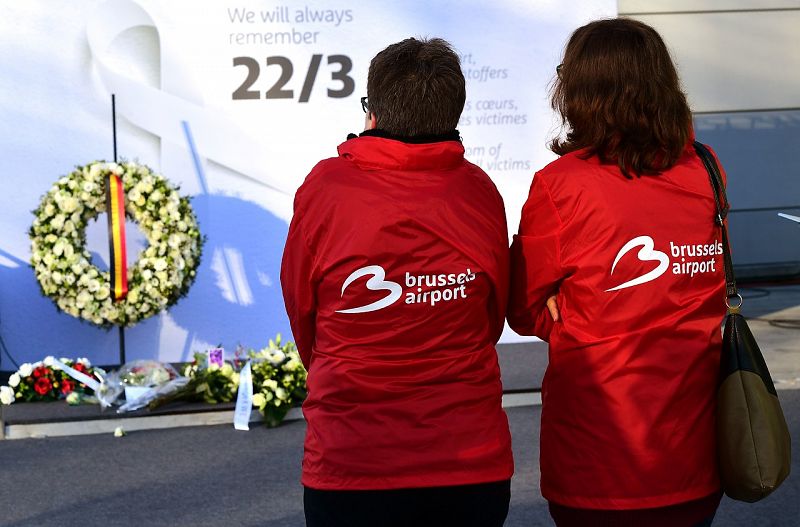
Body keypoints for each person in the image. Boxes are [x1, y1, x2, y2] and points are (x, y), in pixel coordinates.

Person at [281, 37, 513, 527]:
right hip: (468, 457)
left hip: (351, 457)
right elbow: (492, 315)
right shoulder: (479, 190)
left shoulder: (326, 187)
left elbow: (302, 310)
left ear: (374, 111)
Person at [508, 18, 726, 527]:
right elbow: (712, 281)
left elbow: (522, 308)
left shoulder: (560, 184)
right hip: (697, 448)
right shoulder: (706, 167)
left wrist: (572, 316)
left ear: (579, 92)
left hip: (596, 455)